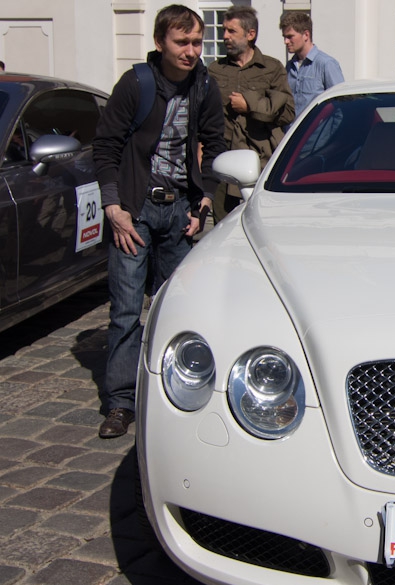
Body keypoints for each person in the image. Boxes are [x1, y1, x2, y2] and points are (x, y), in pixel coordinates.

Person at [93, 4, 226, 438]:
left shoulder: (205, 86)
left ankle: (184, 394)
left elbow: (215, 144)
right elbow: (106, 147)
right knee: (127, 309)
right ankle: (121, 401)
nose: (190, 51)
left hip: (179, 212)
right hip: (134, 210)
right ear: (160, 43)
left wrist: (204, 198)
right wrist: (113, 207)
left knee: (182, 309)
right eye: (181, 42)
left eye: (195, 42)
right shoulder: (136, 83)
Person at [208, 5, 294, 221]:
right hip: (223, 162)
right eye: (223, 30)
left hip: (260, 163)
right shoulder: (214, 70)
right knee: (223, 226)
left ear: (250, 34)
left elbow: (288, 114)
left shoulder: (271, 68)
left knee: (263, 222)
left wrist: (250, 106)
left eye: (231, 31)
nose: (225, 36)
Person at [280, 11, 345, 116]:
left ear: (306, 35)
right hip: (292, 131)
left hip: (318, 132)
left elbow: (341, 106)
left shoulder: (326, 64)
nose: (285, 41)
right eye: (284, 37)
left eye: (290, 36)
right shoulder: (289, 67)